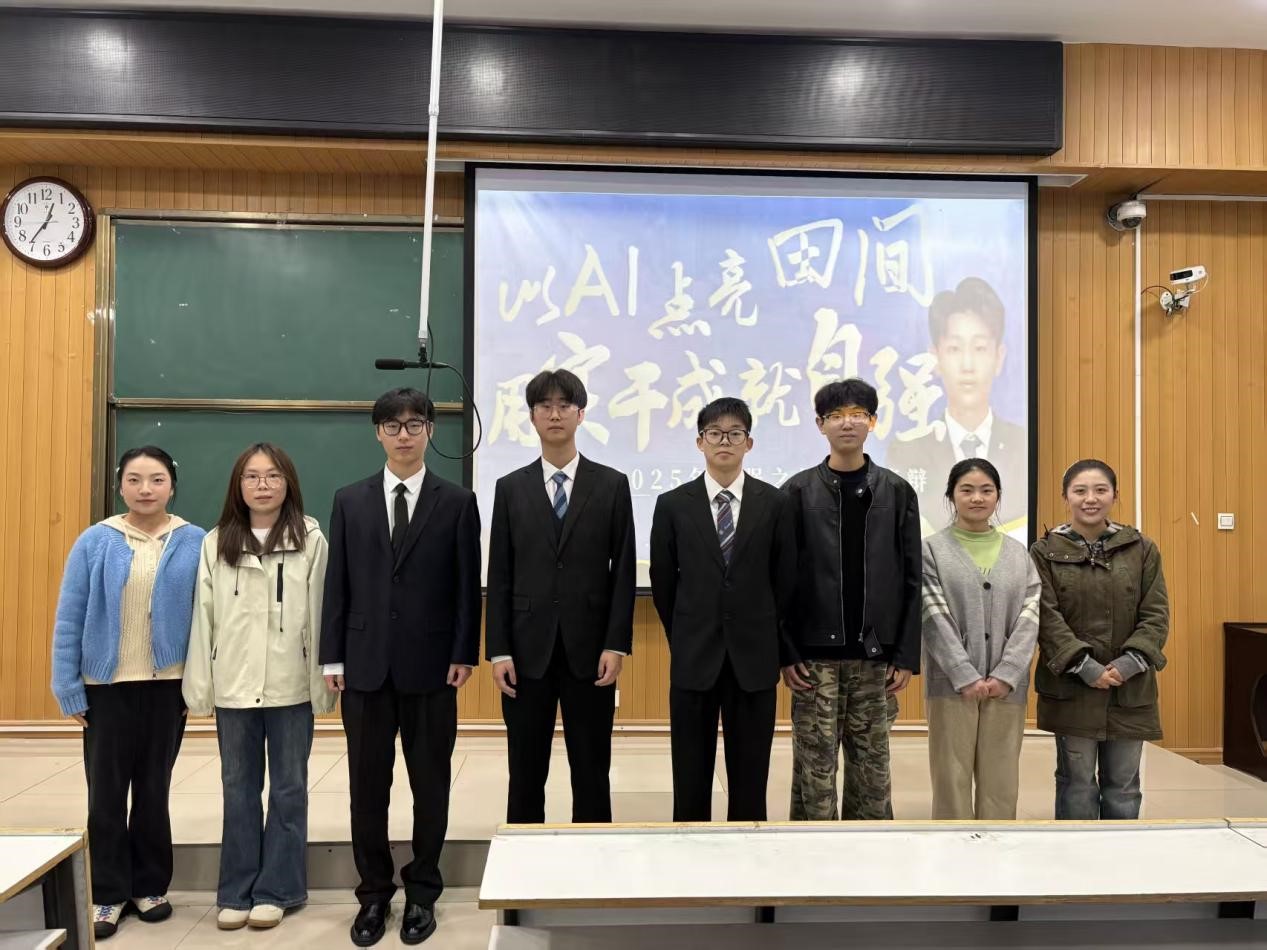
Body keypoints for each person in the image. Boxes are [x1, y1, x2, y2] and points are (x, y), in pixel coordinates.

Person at [319, 387, 480, 947]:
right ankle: (373, 894)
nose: (404, 434)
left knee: (430, 784)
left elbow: (466, 586)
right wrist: (333, 655)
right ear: (378, 433)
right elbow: (337, 583)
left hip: (433, 667)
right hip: (364, 667)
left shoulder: (456, 501)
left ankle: (423, 891)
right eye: (393, 425)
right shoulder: (349, 500)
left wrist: (463, 652)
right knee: (367, 788)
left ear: (430, 431)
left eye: (415, 424)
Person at [49, 446, 204, 940]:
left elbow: (209, 620)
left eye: (156, 479)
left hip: (168, 688)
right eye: (134, 479)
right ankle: (108, 893)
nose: (145, 489)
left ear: (172, 485)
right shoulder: (95, 540)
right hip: (106, 688)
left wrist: (199, 684)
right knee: (107, 795)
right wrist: (67, 685)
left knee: (155, 791)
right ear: (120, 485)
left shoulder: (195, 541)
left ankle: (150, 887)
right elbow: (70, 615)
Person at [183, 443, 335, 931]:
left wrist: (322, 687)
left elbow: (321, 615)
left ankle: (279, 890)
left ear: (288, 483)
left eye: (272, 476)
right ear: (239, 485)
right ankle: (236, 890)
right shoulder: (216, 542)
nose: (262, 485)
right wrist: (199, 686)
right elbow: (202, 619)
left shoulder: (310, 538)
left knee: (289, 790)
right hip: (233, 686)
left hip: (291, 688)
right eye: (252, 476)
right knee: (238, 790)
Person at [486, 369, 636, 824]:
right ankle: (523, 858)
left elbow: (623, 572)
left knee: (591, 768)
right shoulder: (510, 487)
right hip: (525, 652)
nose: (555, 414)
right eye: (545, 406)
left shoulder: (611, 484)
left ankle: (593, 857)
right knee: (525, 770)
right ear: (532, 417)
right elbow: (500, 573)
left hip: (590, 652)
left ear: (580, 414)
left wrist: (616, 644)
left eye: (564, 405)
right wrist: (498, 650)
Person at [650, 397, 797, 822]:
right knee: (690, 777)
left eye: (735, 434)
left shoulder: (775, 503)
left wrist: (771, 639)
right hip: (694, 655)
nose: (724, 441)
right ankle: (690, 853)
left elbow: (785, 580)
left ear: (749, 443)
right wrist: (684, 635)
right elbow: (664, 582)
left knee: (750, 779)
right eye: (715, 433)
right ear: (700, 442)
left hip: (754, 658)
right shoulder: (673, 504)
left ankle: (746, 854)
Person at [782, 378, 921, 821]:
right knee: (814, 774)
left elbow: (912, 578)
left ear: (873, 422)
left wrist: (906, 655)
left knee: (872, 776)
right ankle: (811, 857)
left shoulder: (897, 491)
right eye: (836, 415)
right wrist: (787, 652)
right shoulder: (797, 492)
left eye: (858, 414)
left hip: (875, 659)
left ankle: (872, 858)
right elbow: (781, 582)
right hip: (814, 662)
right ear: (820, 424)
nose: (848, 423)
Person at [1031, 459, 1169, 820]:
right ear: (1065, 497)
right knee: (1076, 784)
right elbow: (1046, 617)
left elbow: (1156, 614)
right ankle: (1076, 855)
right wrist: (1085, 666)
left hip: (1130, 688)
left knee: (1124, 786)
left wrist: (1127, 664)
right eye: (1080, 491)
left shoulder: (1141, 548)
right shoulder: (1044, 551)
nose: (1090, 499)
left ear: (1115, 496)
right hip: (1072, 687)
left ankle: (1119, 855)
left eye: (1100, 490)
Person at [921, 458, 1041, 820]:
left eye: (986, 490)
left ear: (998, 496)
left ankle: (999, 847)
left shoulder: (1019, 554)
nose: (977, 498)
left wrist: (1008, 673)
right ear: (951, 496)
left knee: (1001, 781)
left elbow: (1030, 617)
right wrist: (964, 673)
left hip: (1007, 687)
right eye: (967, 490)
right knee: (950, 777)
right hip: (951, 685)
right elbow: (932, 615)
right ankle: (952, 848)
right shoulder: (931, 550)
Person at [886, 277, 1027, 533]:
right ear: (936, 358)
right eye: (954, 349)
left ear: (999, 357)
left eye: (980, 348)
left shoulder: (1023, 447)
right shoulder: (906, 452)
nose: (967, 365)